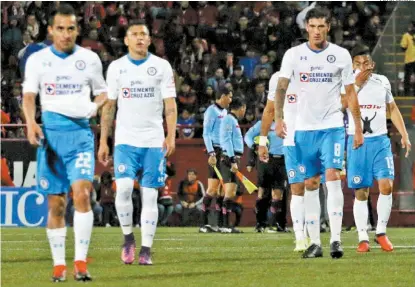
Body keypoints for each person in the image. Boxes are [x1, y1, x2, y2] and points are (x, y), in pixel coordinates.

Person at [22, 4, 107, 282]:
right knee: (56, 205)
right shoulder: (37, 60)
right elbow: (29, 96)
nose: (66, 34)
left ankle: (80, 263)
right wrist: (31, 123)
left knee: (82, 195)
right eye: (60, 28)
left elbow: (103, 94)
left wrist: (94, 107)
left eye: (71, 28)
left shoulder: (90, 59)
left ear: (77, 30)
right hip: (51, 136)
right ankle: (59, 266)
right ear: (51, 31)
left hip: (80, 136)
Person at [273, 7, 364, 259]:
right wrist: (279, 119)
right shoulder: (293, 55)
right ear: (306, 28)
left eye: (321, 26)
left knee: (333, 176)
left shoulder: (341, 55)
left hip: (332, 127)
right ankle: (315, 243)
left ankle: (336, 240)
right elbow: (281, 88)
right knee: (311, 183)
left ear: (328, 27)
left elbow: (351, 93)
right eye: (312, 27)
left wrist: (356, 127)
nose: (316, 31)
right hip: (303, 129)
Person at [98, 20, 177, 266]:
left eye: (144, 34)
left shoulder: (161, 66)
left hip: (153, 140)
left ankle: (146, 249)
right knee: (122, 189)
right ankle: (128, 239)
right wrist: (103, 141)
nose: (140, 38)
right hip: (125, 141)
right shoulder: (116, 68)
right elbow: (109, 107)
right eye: (135, 34)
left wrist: (171, 135)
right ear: (126, 40)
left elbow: (170, 105)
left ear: (150, 40)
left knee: (150, 195)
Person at [343, 49, 411, 252]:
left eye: (366, 63)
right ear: (352, 66)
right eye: (358, 63)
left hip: (380, 141)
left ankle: (381, 232)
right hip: (357, 142)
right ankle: (363, 237)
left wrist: (404, 135)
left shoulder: (382, 81)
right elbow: (339, 105)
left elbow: (392, 109)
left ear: (372, 65)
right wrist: (356, 84)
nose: (362, 67)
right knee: (361, 191)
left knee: (386, 186)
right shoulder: (346, 84)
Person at [245, 121, 288, 233]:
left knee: (279, 194)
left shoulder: (288, 120)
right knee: (263, 192)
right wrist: (255, 146)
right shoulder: (263, 123)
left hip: (283, 160)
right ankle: (260, 224)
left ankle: (277, 224)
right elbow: (248, 136)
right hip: (266, 160)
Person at [200, 86, 232, 233]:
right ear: (222, 96)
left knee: (220, 190)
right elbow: (206, 134)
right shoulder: (211, 111)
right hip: (216, 150)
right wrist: (211, 153)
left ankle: (219, 224)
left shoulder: (225, 112)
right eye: (229, 97)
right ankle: (203, 224)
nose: (230, 100)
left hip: (224, 151)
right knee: (212, 189)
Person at [219, 97, 246, 233]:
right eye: (244, 109)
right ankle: (224, 225)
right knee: (229, 192)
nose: (244, 112)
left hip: (233, 157)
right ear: (241, 108)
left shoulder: (232, 120)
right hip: (230, 157)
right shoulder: (229, 119)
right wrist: (233, 160)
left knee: (232, 192)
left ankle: (225, 225)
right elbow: (227, 140)